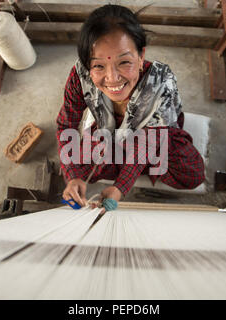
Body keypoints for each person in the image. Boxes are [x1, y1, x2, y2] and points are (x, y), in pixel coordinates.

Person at [56, 4, 205, 208]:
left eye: (124, 62)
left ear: (141, 56)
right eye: (98, 66)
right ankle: (121, 159)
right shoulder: (80, 77)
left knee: (192, 175)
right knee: (76, 165)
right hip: (108, 130)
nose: (113, 79)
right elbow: (66, 125)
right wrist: (72, 177)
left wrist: (120, 187)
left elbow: (149, 142)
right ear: (87, 64)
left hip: (155, 137)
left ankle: (128, 163)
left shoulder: (161, 82)